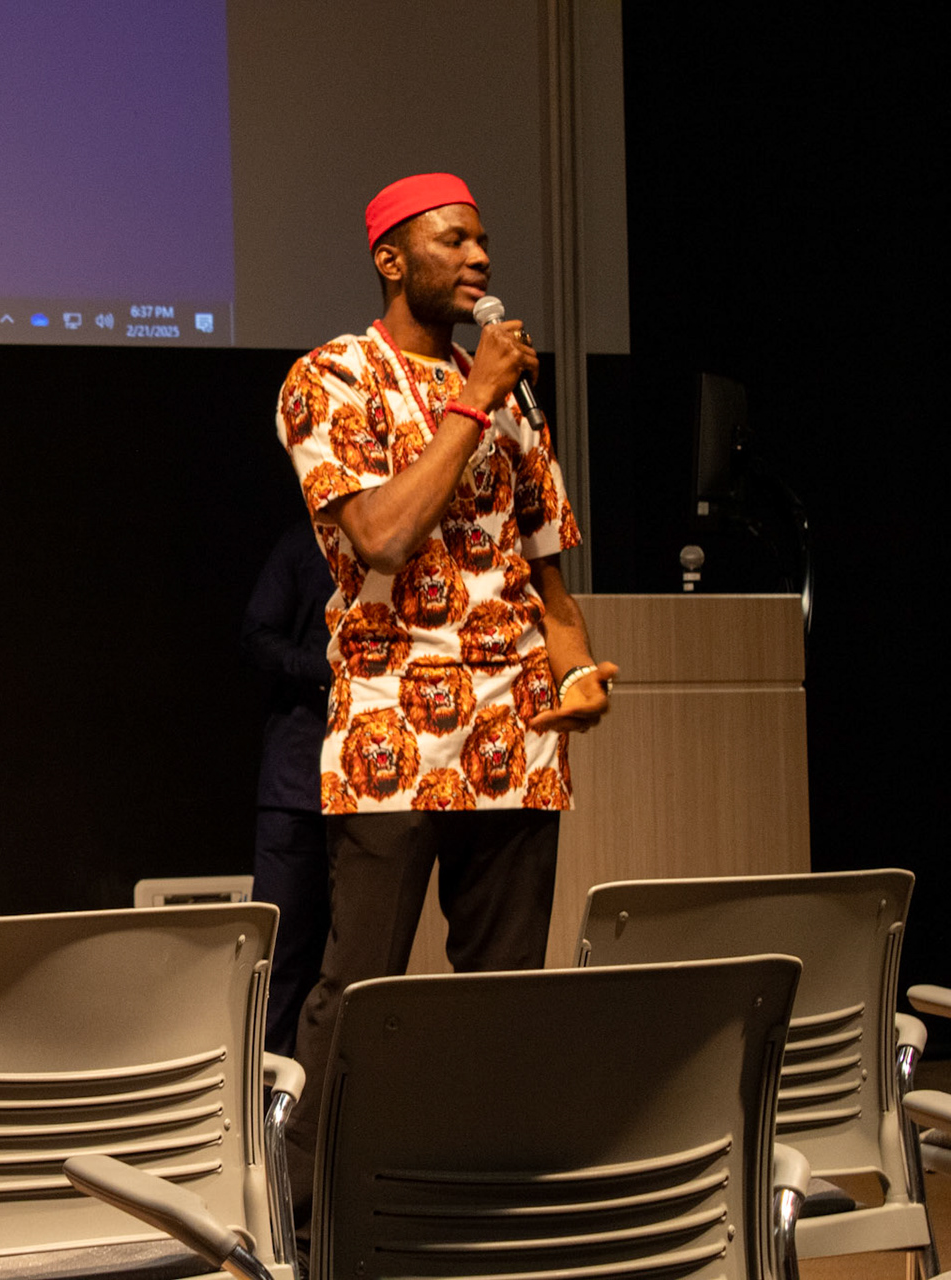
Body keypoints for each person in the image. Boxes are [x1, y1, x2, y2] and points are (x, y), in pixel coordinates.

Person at [272, 174, 616, 1225]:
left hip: (514, 733)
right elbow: (378, 533)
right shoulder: (330, 376)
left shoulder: (511, 395)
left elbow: (548, 572)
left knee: (499, 991)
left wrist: (578, 670)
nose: (478, 258)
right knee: (362, 986)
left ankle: (476, 1200)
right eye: (452, 240)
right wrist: (473, 403)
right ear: (391, 257)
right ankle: (312, 1210)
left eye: (483, 242)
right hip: (391, 719)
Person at [239, 522, 335, 1056]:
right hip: (297, 782)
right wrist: (322, 668)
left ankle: (326, 1118)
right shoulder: (305, 544)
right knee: (280, 961)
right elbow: (256, 634)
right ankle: (262, 1117)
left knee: (346, 965)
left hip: (370, 797)